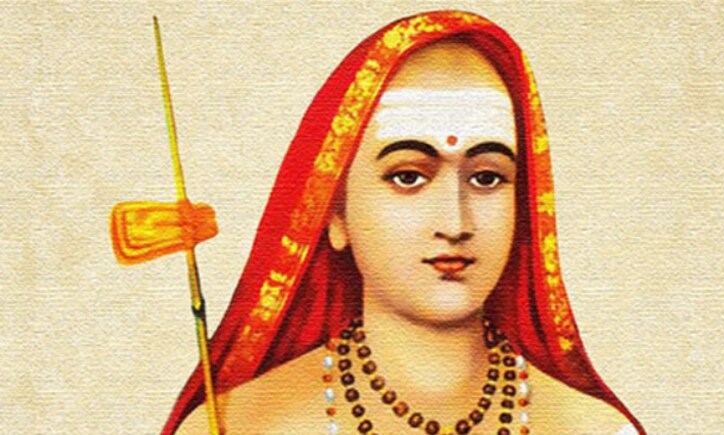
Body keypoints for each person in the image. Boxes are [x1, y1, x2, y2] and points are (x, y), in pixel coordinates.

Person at [169, 10, 644, 434]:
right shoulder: (236, 427)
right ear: (334, 212)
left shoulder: (598, 431)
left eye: (486, 178)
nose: (455, 222)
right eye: (408, 176)